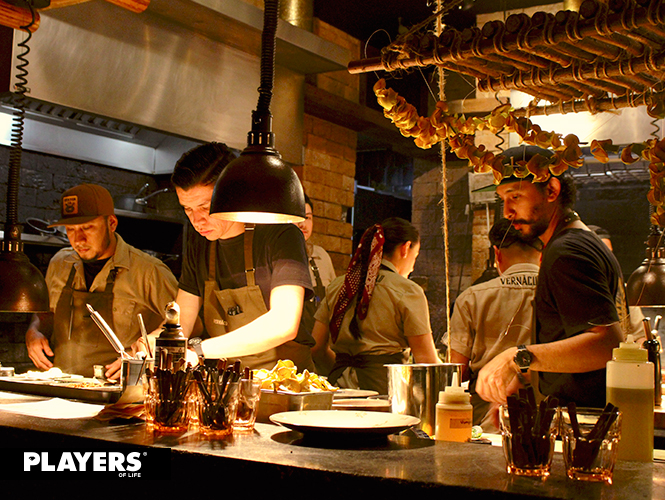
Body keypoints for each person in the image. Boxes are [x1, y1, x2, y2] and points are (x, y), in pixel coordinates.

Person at [476, 146, 631, 409]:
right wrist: (524, 379)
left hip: (584, 418)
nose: (507, 212)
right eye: (503, 199)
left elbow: (607, 344)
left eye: (515, 196)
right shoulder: (584, 239)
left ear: (551, 190)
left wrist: (515, 358)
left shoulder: (566, 251)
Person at [170, 142, 315, 371]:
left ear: (233, 194)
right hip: (229, 380)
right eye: (188, 209)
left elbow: (284, 323)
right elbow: (181, 322)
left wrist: (199, 350)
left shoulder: (281, 234)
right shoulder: (199, 243)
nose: (197, 221)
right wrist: (151, 344)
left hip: (284, 382)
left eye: (205, 207)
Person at [25, 184, 178, 378]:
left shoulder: (148, 271)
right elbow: (46, 314)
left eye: (87, 228)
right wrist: (34, 331)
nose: (78, 239)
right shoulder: (59, 263)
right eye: (71, 229)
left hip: (121, 388)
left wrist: (145, 348)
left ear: (111, 223)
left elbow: (186, 325)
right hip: (62, 384)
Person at [311, 217, 439, 394]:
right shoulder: (408, 290)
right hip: (385, 390)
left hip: (337, 387)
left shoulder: (339, 285)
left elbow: (316, 347)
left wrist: (343, 370)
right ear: (405, 248)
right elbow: (426, 360)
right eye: (415, 256)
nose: (412, 268)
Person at [447, 218, 541, 431]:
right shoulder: (561, 293)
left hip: (487, 417)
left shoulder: (472, 298)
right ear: (542, 253)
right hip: (546, 415)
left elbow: (457, 371)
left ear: (497, 254)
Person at [296, 193, 336, 336]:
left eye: (307, 217)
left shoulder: (321, 256)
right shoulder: (275, 256)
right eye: (298, 218)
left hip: (319, 340)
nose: (303, 224)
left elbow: (335, 301)